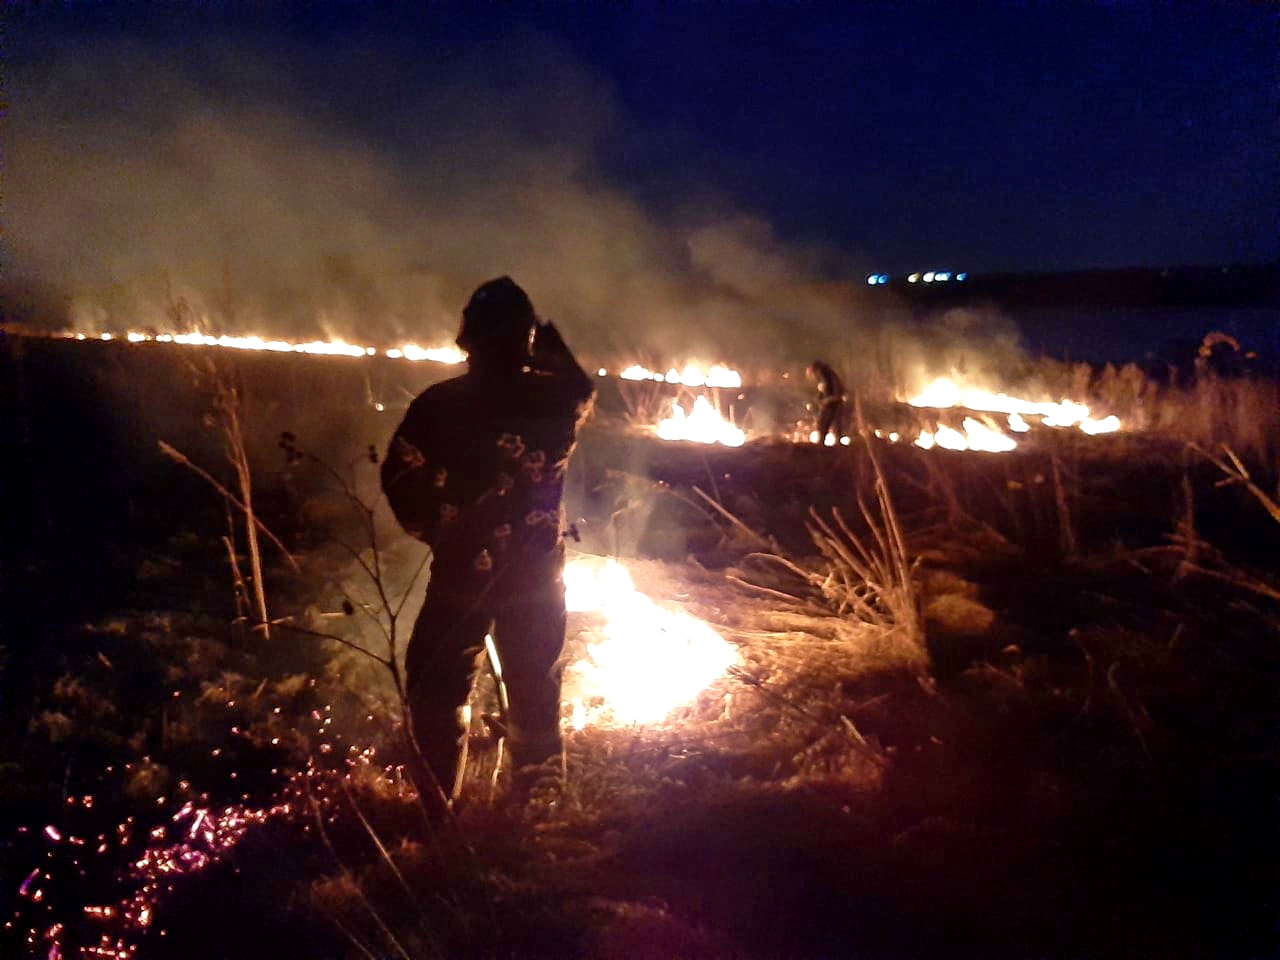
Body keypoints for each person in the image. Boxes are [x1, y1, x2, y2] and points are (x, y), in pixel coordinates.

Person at [380, 277, 595, 813]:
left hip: (461, 574)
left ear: (467, 339)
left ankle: (436, 806)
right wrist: (546, 341)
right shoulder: (556, 401)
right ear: (524, 339)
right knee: (534, 691)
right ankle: (536, 809)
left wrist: (438, 530)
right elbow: (579, 383)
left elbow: (400, 479)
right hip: (537, 577)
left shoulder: (440, 405)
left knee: (437, 686)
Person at [806, 359, 847, 444]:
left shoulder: (824, 373)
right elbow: (825, 390)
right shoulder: (827, 374)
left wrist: (827, 399)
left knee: (824, 424)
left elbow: (830, 389)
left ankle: (822, 445)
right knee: (833, 425)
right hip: (833, 401)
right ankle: (836, 445)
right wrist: (819, 398)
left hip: (832, 402)